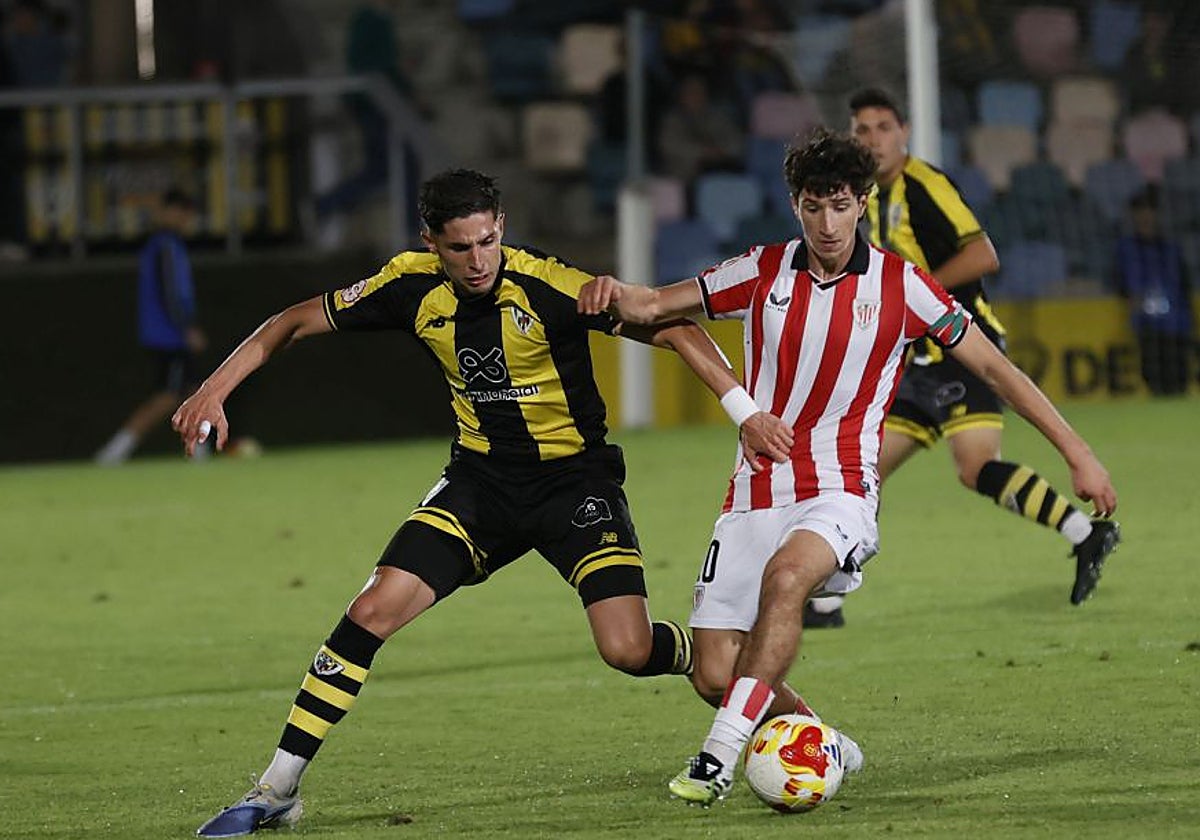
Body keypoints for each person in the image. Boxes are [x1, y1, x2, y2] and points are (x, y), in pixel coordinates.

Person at [176, 169, 793, 837]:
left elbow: (673, 328)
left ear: (502, 229)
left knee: (625, 649)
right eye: (460, 247)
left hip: (574, 486)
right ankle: (276, 788)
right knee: (369, 611)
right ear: (430, 244)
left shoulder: (550, 286)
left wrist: (745, 413)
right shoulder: (408, 285)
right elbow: (292, 321)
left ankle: (706, 662)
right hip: (481, 487)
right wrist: (214, 389)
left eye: (488, 241)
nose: (478, 260)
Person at [576, 128, 1119, 805]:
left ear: (862, 203)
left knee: (789, 578)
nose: (827, 223)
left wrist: (1079, 453)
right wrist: (599, 289)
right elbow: (655, 306)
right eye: (812, 206)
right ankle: (822, 739)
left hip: (840, 487)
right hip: (754, 491)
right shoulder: (761, 269)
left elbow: (996, 369)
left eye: (839, 206)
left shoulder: (903, 287)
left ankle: (717, 756)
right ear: (795, 205)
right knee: (717, 670)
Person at [831, 87, 1121, 626]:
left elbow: (983, 253)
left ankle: (1085, 532)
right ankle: (828, 599)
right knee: (862, 467)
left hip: (966, 348)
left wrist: (918, 298)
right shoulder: (870, 196)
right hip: (919, 359)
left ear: (905, 132)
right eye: (862, 130)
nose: (872, 140)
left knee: (974, 468)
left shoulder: (926, 185)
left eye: (882, 128)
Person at [95, 188, 206, 465]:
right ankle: (116, 449)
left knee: (196, 390)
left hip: (165, 332)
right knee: (168, 396)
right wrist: (186, 327)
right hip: (169, 335)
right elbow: (172, 291)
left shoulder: (161, 244)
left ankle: (200, 451)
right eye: (183, 214)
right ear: (172, 211)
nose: (186, 220)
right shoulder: (166, 245)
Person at [1115, 187, 1195, 396]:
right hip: (1146, 325)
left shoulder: (1171, 249)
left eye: (1149, 211)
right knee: (1153, 378)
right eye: (1140, 212)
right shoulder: (1126, 249)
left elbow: (1184, 287)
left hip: (1176, 326)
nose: (1145, 217)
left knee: (1179, 379)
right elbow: (1120, 284)